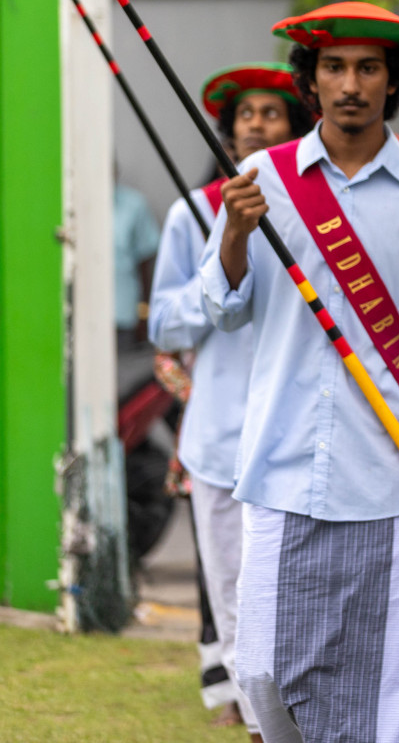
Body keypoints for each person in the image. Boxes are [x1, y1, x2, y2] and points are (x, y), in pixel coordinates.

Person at [203, 2, 399, 741]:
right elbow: (223, 308)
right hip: (279, 466)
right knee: (265, 670)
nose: (351, 84)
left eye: (369, 68)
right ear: (313, 80)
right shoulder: (260, 179)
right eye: (334, 67)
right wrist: (235, 235)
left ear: (394, 81)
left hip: (395, 474)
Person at [149, 61, 311, 739]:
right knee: (234, 594)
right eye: (247, 113)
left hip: (294, 435)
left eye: (272, 113)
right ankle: (251, 718)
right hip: (219, 437)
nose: (257, 123)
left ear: (293, 126)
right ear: (228, 127)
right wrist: (225, 273)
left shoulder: (311, 208)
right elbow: (163, 321)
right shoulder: (192, 214)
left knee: (292, 599)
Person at [114, 173, 161, 348]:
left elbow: (145, 262)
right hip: (83, 318)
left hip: (125, 316)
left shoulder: (134, 205)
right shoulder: (71, 204)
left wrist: (144, 313)